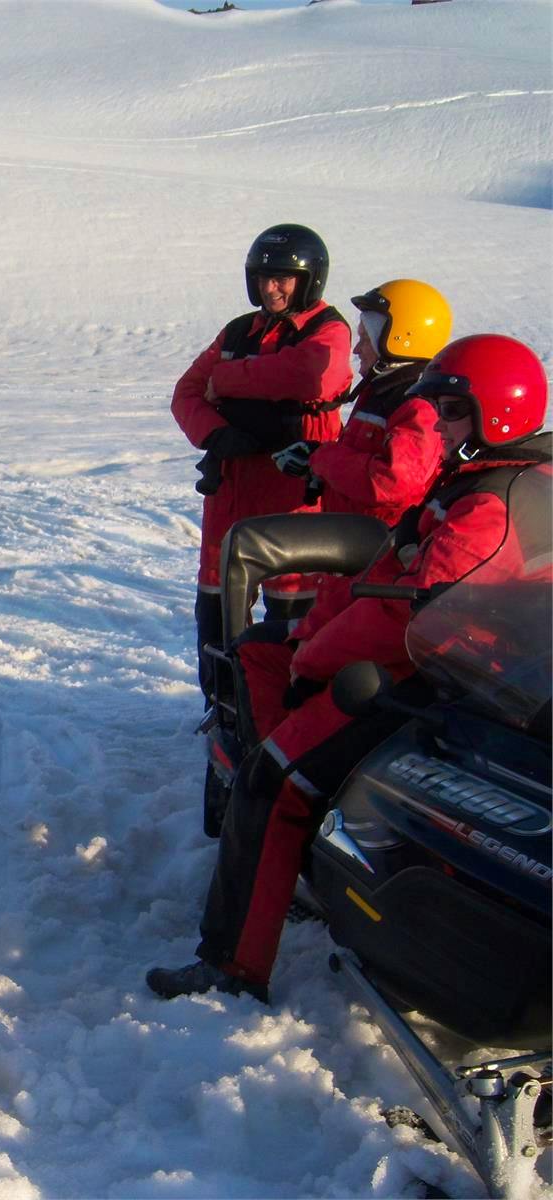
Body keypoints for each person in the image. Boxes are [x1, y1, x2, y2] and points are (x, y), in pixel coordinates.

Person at [148, 334, 550, 1002]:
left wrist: (314, 655)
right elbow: (383, 580)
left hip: (433, 680)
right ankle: (301, 838)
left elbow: (409, 615)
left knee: (272, 781)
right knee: (261, 656)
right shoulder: (504, 485)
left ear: (495, 415)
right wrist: (307, 638)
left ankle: (232, 966)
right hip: (444, 666)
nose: (440, 428)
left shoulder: (489, 507)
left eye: (452, 413)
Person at [172, 224, 352, 699]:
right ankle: (223, 704)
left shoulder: (327, 331)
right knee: (216, 603)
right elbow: (187, 392)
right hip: (231, 486)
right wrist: (215, 432)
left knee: (292, 607)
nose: (271, 287)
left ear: (309, 279)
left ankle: (287, 708)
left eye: (283, 278)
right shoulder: (237, 331)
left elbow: (310, 374)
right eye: (263, 277)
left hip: (292, 489)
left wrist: (228, 380)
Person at [271, 279, 450, 524]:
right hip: (356, 538)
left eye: (366, 339)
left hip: (380, 547)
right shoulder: (382, 391)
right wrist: (318, 463)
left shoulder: (417, 405)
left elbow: (390, 482)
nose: (356, 349)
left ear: (397, 339)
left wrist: (324, 459)